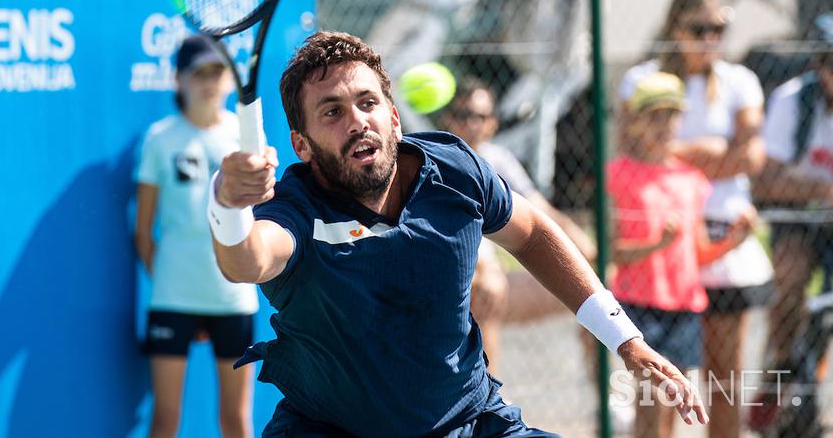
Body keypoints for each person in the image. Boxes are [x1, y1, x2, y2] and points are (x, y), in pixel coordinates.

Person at [207, 30, 707, 436]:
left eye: (367, 103)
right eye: (332, 112)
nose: (357, 121)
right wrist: (227, 202)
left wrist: (626, 340)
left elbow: (533, 235)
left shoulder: (455, 171)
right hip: (328, 429)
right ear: (303, 145)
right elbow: (246, 260)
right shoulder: (296, 207)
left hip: (468, 422)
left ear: (394, 117)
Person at [618, 0, 769, 438]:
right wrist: (706, 152)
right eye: (699, 28)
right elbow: (631, 150)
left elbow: (752, 157)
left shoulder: (741, 81)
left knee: (725, 379)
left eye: (719, 28)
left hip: (723, 242)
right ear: (674, 29)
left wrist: (672, 156)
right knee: (660, 387)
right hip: (662, 253)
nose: (710, 38)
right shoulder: (641, 78)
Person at [609, 72, 755, 438]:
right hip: (640, 305)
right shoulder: (618, 174)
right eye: (654, 115)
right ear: (636, 121)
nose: (665, 125)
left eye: (672, 115)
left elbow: (700, 254)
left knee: (675, 405)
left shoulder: (692, 180)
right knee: (650, 405)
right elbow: (613, 253)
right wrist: (656, 245)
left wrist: (736, 239)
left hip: (684, 307)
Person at [134, 35, 258, 438]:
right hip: (172, 298)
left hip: (233, 297)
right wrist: (177, 286)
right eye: (198, 72)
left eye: (216, 71)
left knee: (236, 421)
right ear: (178, 80)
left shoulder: (245, 138)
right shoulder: (160, 138)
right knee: (165, 420)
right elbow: (143, 233)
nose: (209, 81)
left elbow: (258, 221)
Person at [435, 76, 597, 370]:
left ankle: (605, 394)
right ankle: (488, 397)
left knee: (595, 287)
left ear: (493, 123)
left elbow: (539, 208)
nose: (472, 123)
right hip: (457, 281)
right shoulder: (437, 159)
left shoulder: (498, 158)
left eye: (480, 116)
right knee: (488, 287)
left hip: (492, 282)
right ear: (448, 119)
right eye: (463, 115)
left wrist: (580, 241)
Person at [752, 15, 833, 404]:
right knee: (790, 274)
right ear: (819, 66)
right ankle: (781, 369)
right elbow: (764, 180)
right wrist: (821, 189)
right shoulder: (792, 100)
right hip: (799, 217)